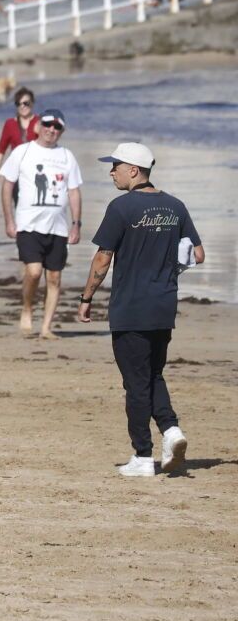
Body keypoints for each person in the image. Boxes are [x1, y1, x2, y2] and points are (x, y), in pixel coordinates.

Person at [78, 141, 203, 476]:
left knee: (135, 383)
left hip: (130, 307)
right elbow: (198, 254)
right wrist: (168, 270)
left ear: (133, 170)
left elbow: (103, 259)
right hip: (163, 306)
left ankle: (143, 457)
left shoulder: (122, 207)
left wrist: (86, 297)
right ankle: (172, 431)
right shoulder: (176, 206)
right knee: (152, 374)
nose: (111, 171)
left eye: (115, 165)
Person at [0, 106, 83, 338]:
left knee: (54, 277)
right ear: (38, 126)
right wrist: (9, 220)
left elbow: (74, 191)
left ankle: (46, 327)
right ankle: (27, 308)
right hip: (28, 224)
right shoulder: (23, 152)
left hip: (58, 227)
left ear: (62, 131)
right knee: (34, 272)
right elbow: (7, 185)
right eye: (47, 124)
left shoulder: (67, 156)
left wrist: (76, 224)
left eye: (57, 127)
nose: (51, 130)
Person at [0, 88, 41, 183]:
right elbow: (1, 149)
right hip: (16, 173)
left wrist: (40, 132)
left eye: (26, 103)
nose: (22, 106)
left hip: (36, 173)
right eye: (18, 104)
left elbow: (50, 145)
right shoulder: (10, 124)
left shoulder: (40, 122)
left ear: (32, 103)